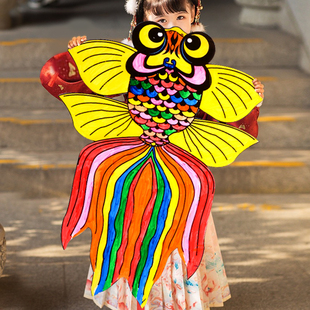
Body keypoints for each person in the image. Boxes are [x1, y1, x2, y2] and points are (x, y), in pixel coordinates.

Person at [43, 0, 264, 309]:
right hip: (133, 162)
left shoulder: (200, 68)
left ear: (194, 18)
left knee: (178, 227)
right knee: (129, 224)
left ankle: (178, 299)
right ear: (139, 19)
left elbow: (220, 117)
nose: (170, 25)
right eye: (158, 18)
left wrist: (248, 98)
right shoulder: (126, 59)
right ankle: (131, 298)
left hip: (179, 167)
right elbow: (85, 88)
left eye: (179, 16)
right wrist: (81, 60)